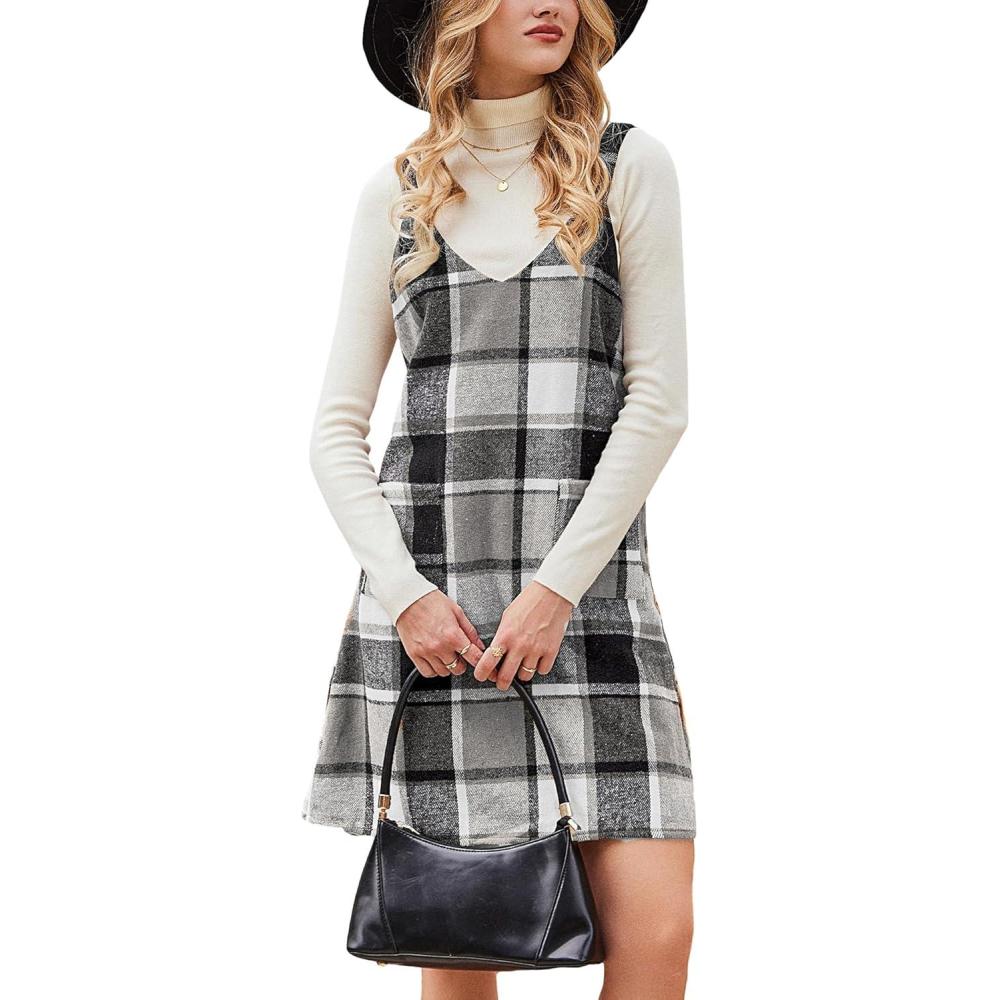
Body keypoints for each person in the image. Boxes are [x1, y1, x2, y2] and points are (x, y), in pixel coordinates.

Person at [304, 2, 694, 997]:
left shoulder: (624, 167)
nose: (549, 2)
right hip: (440, 624)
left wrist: (556, 589)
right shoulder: (399, 192)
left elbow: (657, 405)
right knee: (461, 938)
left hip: (589, 605)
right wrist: (407, 598)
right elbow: (335, 434)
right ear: (453, 16)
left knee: (656, 935)